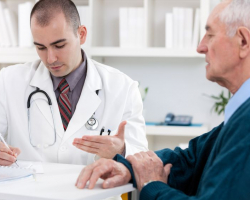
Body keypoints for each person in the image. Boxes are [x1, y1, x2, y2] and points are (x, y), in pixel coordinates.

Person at [76, 0, 250, 199]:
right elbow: (190, 159)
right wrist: (129, 168)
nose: (201, 47)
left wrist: (151, 185)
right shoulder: (240, 115)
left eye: (210, 35)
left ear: (243, 41)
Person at [0, 0, 148, 169]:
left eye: (59, 45)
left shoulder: (123, 88)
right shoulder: (11, 81)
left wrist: (120, 151)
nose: (50, 58)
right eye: (41, 47)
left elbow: (144, 159)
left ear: (81, 34)